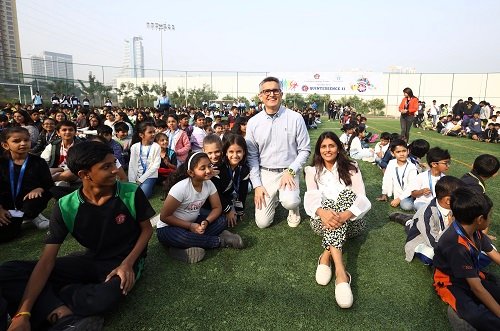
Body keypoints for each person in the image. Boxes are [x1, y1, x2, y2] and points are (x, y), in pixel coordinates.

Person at [0, 141, 155, 331]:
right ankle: (60, 312)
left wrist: (128, 264)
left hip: (124, 261)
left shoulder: (130, 192)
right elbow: (47, 261)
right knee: (8, 271)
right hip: (90, 260)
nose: (115, 170)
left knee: (103, 299)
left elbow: (147, 229)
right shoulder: (66, 205)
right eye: (106, 166)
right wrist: (22, 314)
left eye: (114, 163)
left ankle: (57, 306)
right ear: (84, 174)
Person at [303, 131, 371, 309]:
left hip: (352, 224)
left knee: (347, 195)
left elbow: (362, 198)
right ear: (319, 150)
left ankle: (326, 256)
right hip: (321, 222)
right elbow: (311, 198)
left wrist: (344, 215)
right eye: (323, 146)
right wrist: (323, 212)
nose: (328, 150)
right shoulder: (312, 171)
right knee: (326, 202)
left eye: (331, 145)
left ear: (339, 148)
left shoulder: (352, 167)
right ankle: (341, 273)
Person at [156, 152, 244, 264]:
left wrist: (207, 221)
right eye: (202, 168)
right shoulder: (181, 188)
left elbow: (217, 208)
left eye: (209, 166)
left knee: (221, 220)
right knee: (183, 237)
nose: (208, 171)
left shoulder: (209, 184)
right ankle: (221, 240)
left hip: (193, 223)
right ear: (191, 173)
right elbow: (164, 217)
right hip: (169, 228)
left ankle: (180, 248)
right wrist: (190, 226)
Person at [246, 76, 311, 229]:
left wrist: (291, 170)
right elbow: (252, 156)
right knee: (262, 223)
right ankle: (274, 198)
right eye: (267, 91)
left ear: (281, 94)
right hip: (265, 173)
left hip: (288, 171)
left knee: (291, 202)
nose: (271, 94)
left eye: (275, 90)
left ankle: (293, 209)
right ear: (260, 95)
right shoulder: (253, 122)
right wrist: (257, 185)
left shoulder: (295, 118)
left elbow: (305, 149)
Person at [433, 187, 500, 331]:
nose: (491, 218)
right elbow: (477, 288)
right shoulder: (456, 245)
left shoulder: (474, 230)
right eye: (490, 215)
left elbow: (495, 256)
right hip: (450, 282)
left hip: (472, 276)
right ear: (480, 219)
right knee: (477, 316)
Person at [0, 127, 53, 240]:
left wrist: (40, 188)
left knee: (34, 202)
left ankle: (32, 215)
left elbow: (49, 185)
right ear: (5, 145)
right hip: (6, 205)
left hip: (29, 201)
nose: (23, 143)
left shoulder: (39, 162)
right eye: (16, 141)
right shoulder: (2, 163)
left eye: (26, 140)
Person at [403, 176, 463, 264]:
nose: (463, 200)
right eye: (461, 198)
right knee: (434, 255)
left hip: (438, 236)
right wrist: (451, 227)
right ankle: (409, 222)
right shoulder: (427, 214)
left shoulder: (455, 207)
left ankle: (410, 221)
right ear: (448, 200)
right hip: (423, 240)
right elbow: (434, 243)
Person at [376, 139, 418, 211]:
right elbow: (386, 178)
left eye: (404, 151)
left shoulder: (412, 167)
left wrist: (399, 199)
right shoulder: (391, 163)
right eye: (398, 152)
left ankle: (417, 202)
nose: (402, 154)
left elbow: (411, 187)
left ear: (408, 151)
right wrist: (384, 193)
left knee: (406, 206)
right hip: (397, 193)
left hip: (409, 194)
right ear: (392, 153)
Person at [410, 147, 451, 211]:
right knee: (424, 208)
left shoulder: (445, 178)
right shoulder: (421, 176)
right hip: (422, 202)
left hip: (438, 204)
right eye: (445, 163)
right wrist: (422, 191)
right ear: (434, 164)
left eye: (448, 163)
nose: (448, 166)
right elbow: (413, 194)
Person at [128, 122, 161, 199]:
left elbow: (155, 166)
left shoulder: (156, 147)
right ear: (141, 135)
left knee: (143, 195)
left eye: (154, 132)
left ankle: (150, 185)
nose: (153, 134)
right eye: (150, 132)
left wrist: (140, 180)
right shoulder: (134, 147)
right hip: (137, 174)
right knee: (132, 192)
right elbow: (132, 165)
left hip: (150, 175)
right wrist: (132, 182)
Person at [223, 134, 250, 223]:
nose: (235, 155)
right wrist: (228, 210)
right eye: (231, 152)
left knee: (248, 187)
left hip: (229, 196)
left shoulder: (244, 168)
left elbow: (242, 192)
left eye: (239, 151)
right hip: (217, 200)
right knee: (222, 222)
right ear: (226, 152)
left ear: (244, 152)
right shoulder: (220, 168)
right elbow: (217, 194)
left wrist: (240, 211)